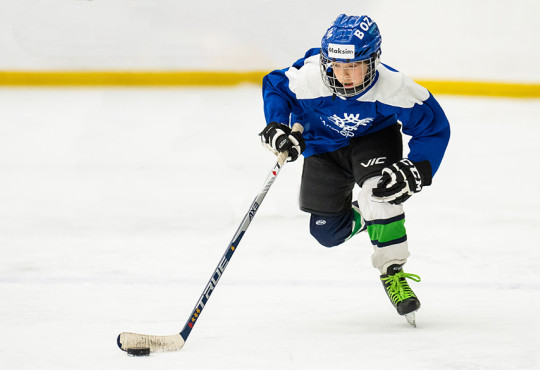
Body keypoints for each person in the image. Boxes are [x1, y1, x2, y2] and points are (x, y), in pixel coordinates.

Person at [259, 14, 450, 324]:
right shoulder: (308, 78)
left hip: (372, 142)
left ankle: (392, 271)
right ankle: (367, 215)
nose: (344, 75)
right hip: (323, 149)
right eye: (337, 66)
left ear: (373, 60)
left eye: (354, 66)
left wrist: (415, 168)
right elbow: (276, 86)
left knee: (380, 192)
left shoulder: (394, 87)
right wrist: (278, 124)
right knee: (327, 233)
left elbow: (433, 129)